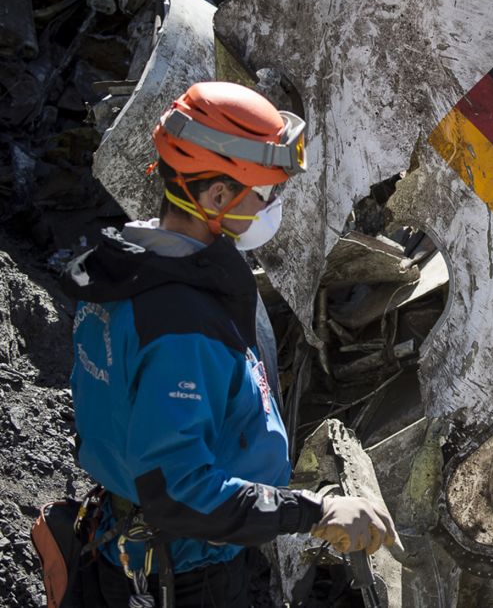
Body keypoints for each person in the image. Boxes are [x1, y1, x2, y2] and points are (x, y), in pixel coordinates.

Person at [62, 81, 397, 607]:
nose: (276, 205)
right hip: (187, 574)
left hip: (138, 542)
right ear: (217, 195)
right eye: (266, 193)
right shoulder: (180, 326)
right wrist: (317, 512)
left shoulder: (130, 266)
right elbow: (180, 493)